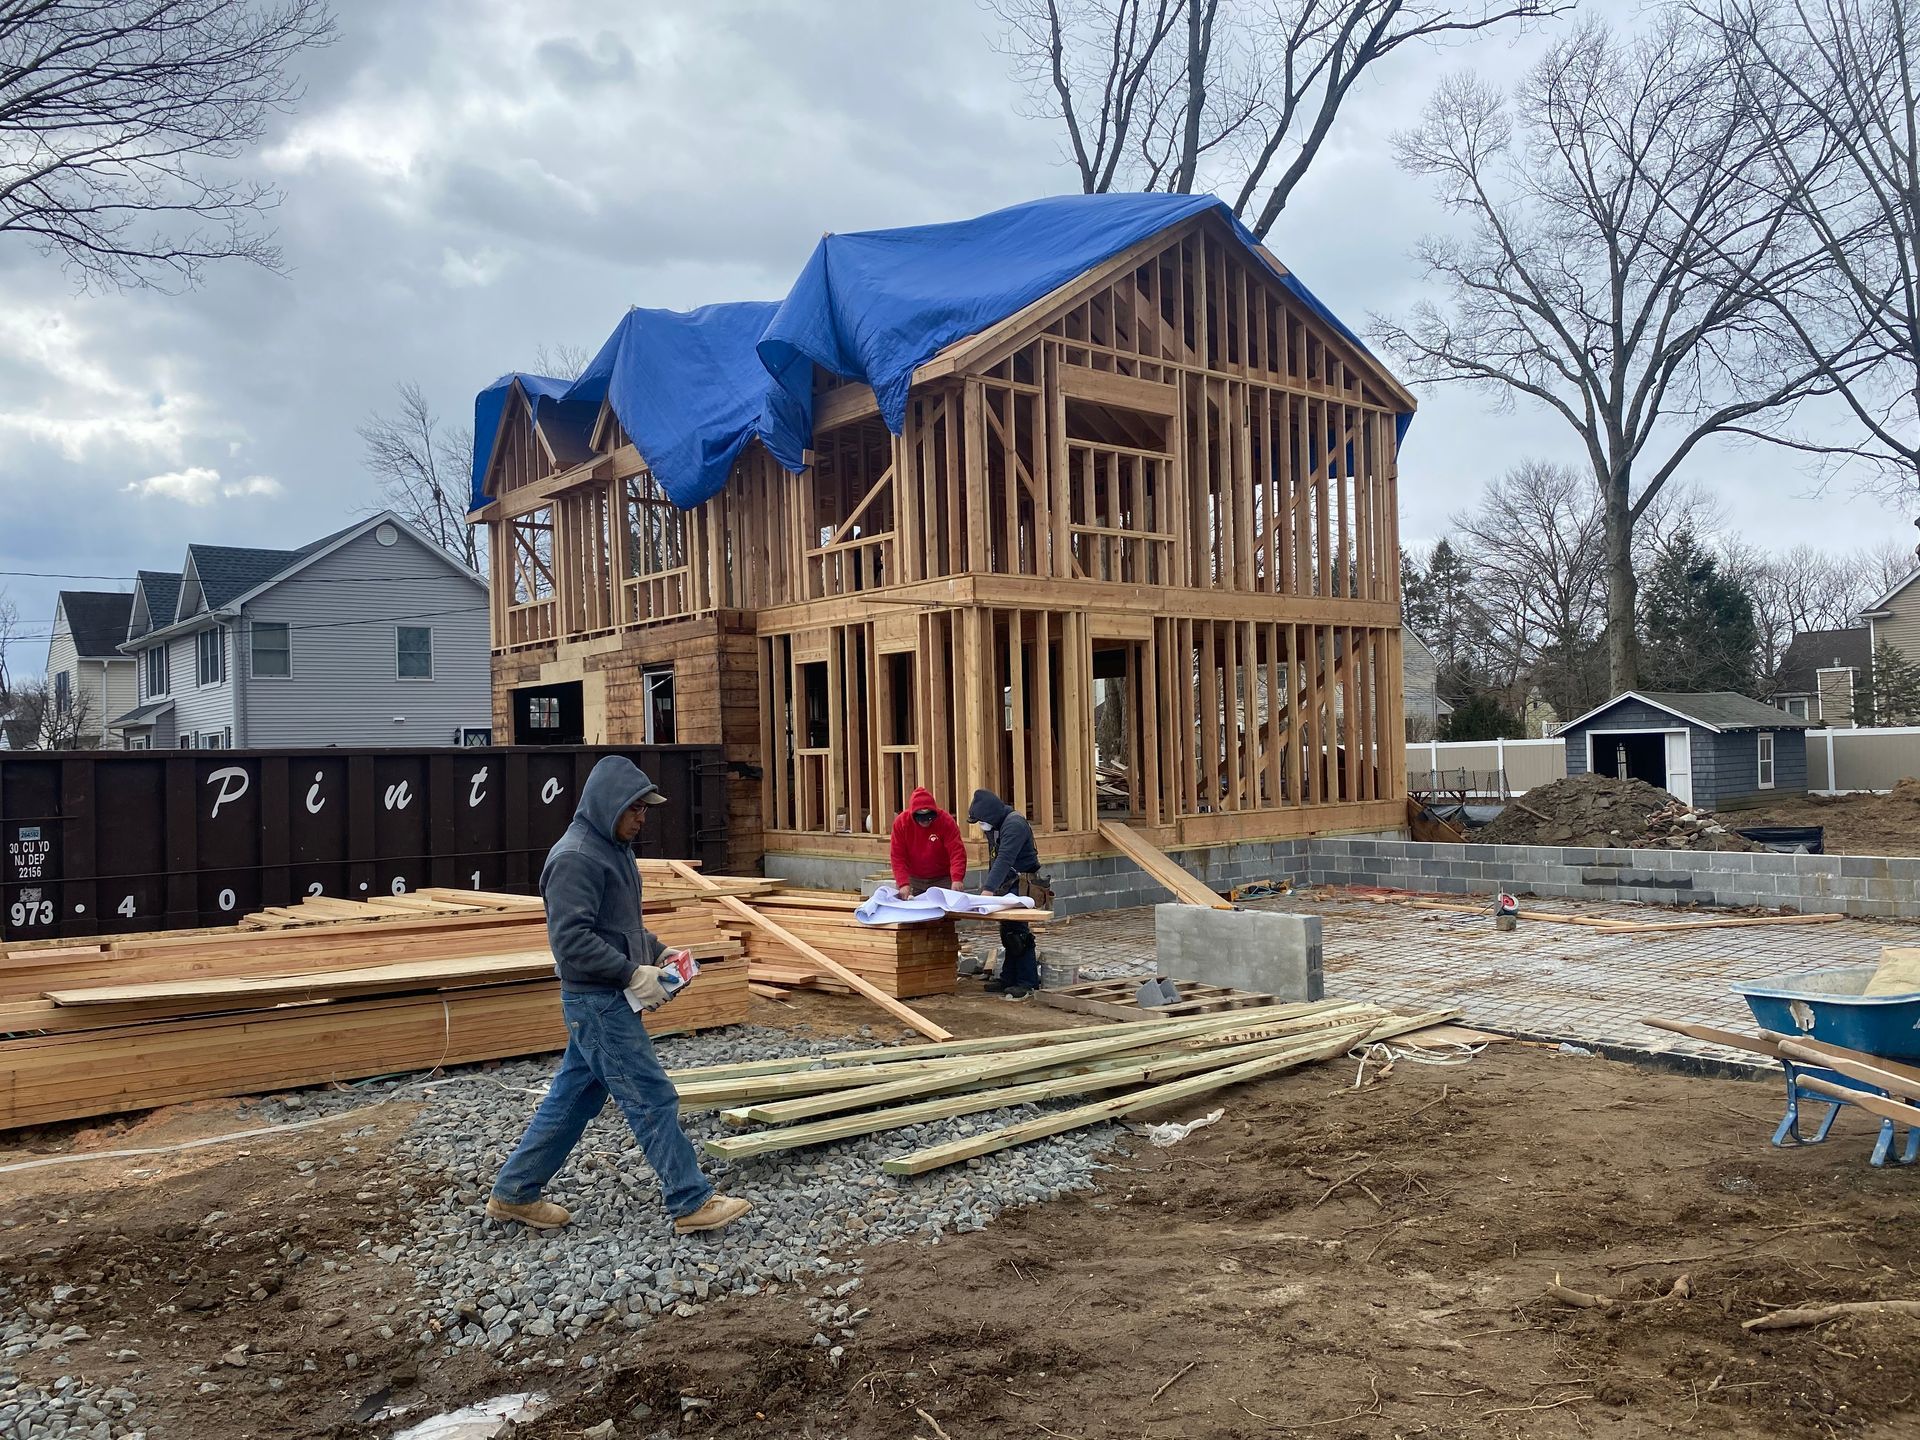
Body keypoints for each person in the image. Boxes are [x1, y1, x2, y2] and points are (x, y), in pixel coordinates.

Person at [487, 755, 750, 1237]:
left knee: (573, 1098)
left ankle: (515, 1192)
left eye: (645, 809)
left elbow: (618, 924)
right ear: (610, 805)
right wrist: (632, 974)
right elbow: (571, 941)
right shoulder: (576, 858)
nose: (642, 818)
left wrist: (658, 950)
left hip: (605, 998)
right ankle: (691, 1200)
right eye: (635, 809)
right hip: (597, 1001)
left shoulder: (614, 849)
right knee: (650, 1095)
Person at [967, 788, 1042, 997]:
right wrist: (993, 887)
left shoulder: (1014, 825)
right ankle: (1009, 977)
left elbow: (1005, 859)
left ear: (990, 815)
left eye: (981, 821)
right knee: (1008, 932)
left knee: (1019, 933)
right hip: (1009, 883)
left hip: (1023, 883)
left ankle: (1027, 982)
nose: (981, 827)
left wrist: (988, 890)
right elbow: (995, 859)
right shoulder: (996, 825)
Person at [888, 786, 968, 897]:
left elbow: (957, 852)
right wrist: (903, 883)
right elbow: (897, 856)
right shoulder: (901, 823)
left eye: (929, 818)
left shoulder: (946, 821)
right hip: (914, 880)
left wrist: (957, 878)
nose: (926, 822)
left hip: (942, 878)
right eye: (922, 818)